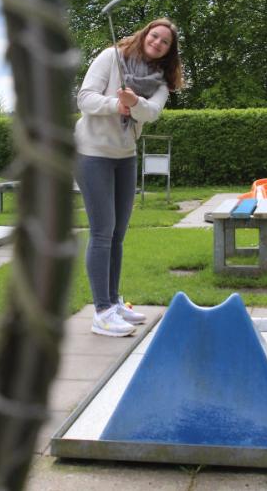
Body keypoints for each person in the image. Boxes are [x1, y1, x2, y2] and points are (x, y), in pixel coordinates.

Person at [76, 18, 183, 336]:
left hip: (124, 156)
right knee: (102, 232)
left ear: (168, 51)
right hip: (92, 152)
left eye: (165, 42)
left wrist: (134, 102)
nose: (158, 43)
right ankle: (102, 312)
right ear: (145, 34)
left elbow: (151, 112)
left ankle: (113, 300)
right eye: (155, 36)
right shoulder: (112, 57)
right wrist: (115, 104)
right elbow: (85, 98)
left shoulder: (160, 81)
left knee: (118, 235)